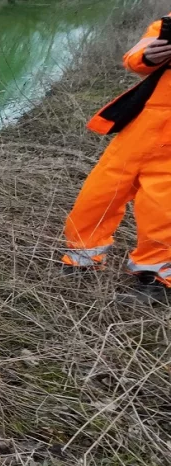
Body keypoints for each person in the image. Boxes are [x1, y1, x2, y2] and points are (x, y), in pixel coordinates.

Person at [62, 12, 171, 294]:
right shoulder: (167, 22)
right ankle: (81, 259)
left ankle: (155, 277)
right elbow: (136, 56)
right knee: (98, 194)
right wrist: (150, 55)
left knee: (162, 209)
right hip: (141, 128)